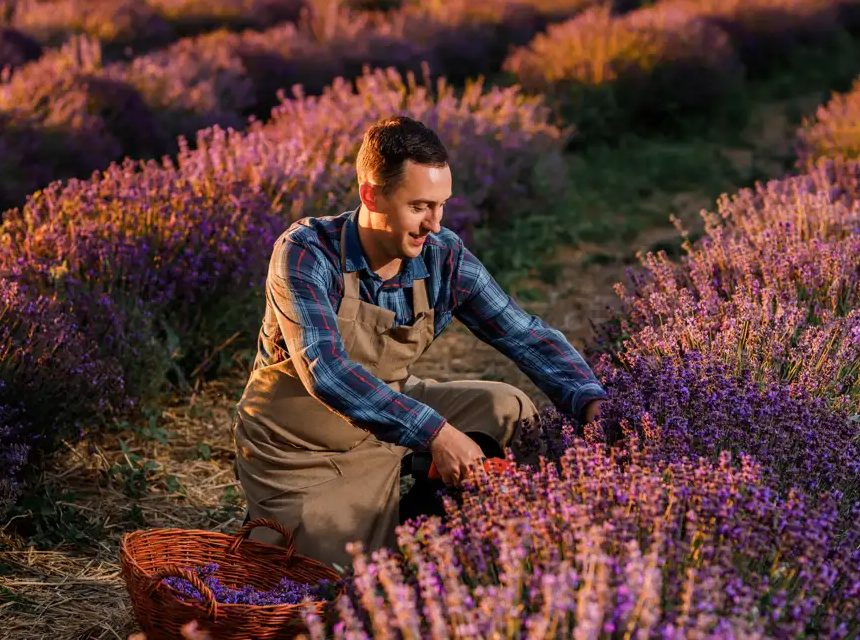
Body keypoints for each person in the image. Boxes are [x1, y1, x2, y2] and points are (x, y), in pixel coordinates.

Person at [232, 115, 607, 569]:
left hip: (391, 416)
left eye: (441, 205)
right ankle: (400, 528)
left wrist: (590, 400)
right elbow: (326, 372)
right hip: (300, 446)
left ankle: (459, 527)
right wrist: (437, 434)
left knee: (508, 409)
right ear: (371, 194)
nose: (435, 222)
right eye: (419, 206)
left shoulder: (441, 254)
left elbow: (523, 334)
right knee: (336, 581)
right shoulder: (307, 252)